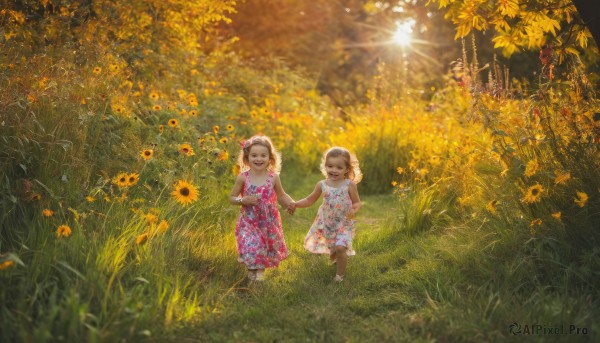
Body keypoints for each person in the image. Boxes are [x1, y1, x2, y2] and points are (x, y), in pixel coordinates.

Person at [288, 147, 362, 282]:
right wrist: (296, 204)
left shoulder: (349, 185)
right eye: (330, 166)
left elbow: (357, 203)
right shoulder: (322, 184)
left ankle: (339, 276)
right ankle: (336, 260)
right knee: (333, 248)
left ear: (347, 169)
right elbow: (310, 200)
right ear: (325, 166)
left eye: (339, 167)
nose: (333, 170)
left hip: (344, 223)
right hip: (327, 223)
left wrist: (354, 209)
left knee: (340, 247)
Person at [229, 135, 294, 281]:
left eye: (263, 155)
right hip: (249, 221)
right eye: (254, 155)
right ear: (247, 158)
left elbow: (282, 195)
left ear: (270, 158)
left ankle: (258, 274)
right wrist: (242, 199)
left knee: (263, 247)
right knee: (250, 245)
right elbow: (231, 198)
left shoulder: (273, 177)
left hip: (268, 222)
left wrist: (290, 204)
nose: (259, 159)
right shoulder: (243, 177)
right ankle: (251, 271)